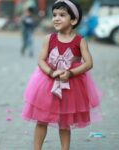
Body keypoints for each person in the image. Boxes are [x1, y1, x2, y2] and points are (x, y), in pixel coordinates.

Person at [22, 0, 102, 150]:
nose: (56, 18)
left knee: (65, 122)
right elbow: (41, 60)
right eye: (54, 15)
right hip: (47, 83)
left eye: (62, 15)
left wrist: (71, 72)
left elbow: (88, 63)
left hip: (70, 86)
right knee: (41, 119)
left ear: (73, 20)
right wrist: (51, 72)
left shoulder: (80, 41)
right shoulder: (49, 38)